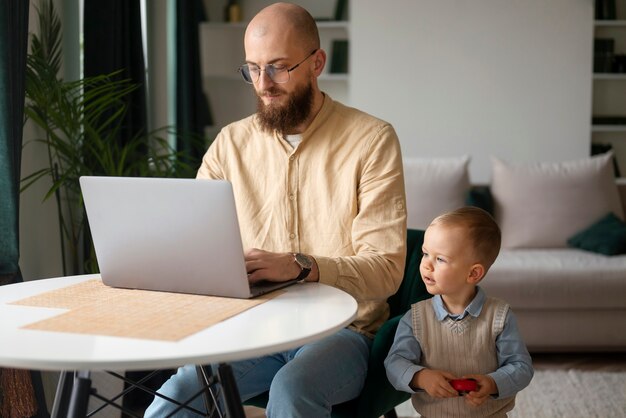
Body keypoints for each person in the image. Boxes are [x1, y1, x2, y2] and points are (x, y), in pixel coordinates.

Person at [145, 2, 407, 417]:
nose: (263, 84)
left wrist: (300, 265)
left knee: (292, 388)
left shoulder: (372, 140)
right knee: (175, 399)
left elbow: (387, 270)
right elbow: (197, 247)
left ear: (317, 62)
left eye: (279, 67)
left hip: (343, 331)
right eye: (253, 68)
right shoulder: (229, 146)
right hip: (254, 330)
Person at [384, 206, 533, 418]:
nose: (426, 265)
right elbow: (394, 363)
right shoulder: (416, 318)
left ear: (473, 273)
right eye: (426, 254)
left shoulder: (500, 317)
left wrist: (493, 383)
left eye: (440, 259)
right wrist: (421, 377)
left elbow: (521, 367)